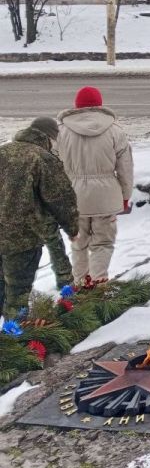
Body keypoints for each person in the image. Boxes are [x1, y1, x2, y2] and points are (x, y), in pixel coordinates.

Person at [0, 117, 79, 318]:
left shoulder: (3, 151)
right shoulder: (42, 158)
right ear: (49, 136)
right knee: (17, 295)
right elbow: (60, 198)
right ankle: (13, 343)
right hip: (22, 240)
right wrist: (72, 228)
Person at [57, 86, 134, 286]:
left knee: (78, 243)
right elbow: (125, 167)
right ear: (100, 105)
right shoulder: (115, 131)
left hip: (73, 197)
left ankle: (80, 284)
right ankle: (98, 284)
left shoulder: (61, 131)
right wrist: (125, 196)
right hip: (105, 196)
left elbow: (54, 167)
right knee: (103, 243)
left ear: (76, 105)